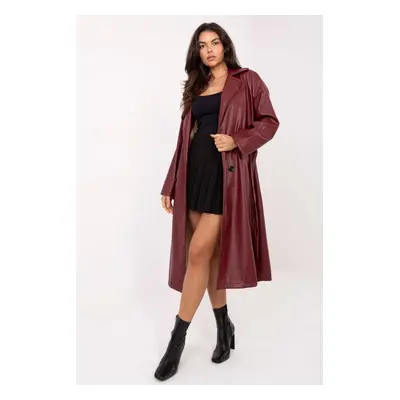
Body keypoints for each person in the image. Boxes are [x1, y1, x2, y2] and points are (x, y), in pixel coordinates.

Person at [155, 22, 280, 381]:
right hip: (194, 177)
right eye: (202, 45)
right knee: (209, 259)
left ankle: (176, 343)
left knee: (197, 254)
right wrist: (170, 183)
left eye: (215, 43)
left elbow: (269, 122)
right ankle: (225, 327)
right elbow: (183, 140)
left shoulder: (247, 80)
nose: (209, 50)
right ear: (197, 52)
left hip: (227, 181)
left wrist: (237, 139)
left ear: (225, 46)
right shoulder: (197, 85)